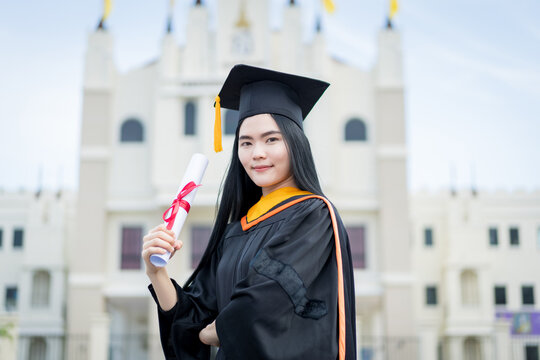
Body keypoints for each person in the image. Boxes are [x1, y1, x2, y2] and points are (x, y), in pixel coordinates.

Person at [142, 64, 357, 360]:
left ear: (296, 143)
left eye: (271, 139)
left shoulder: (313, 215)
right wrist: (157, 272)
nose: (257, 153)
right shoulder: (236, 232)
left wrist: (211, 332)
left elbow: (263, 300)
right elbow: (193, 317)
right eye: (246, 142)